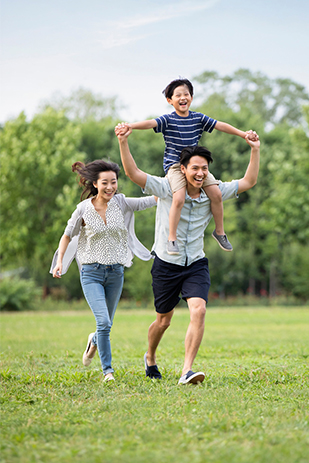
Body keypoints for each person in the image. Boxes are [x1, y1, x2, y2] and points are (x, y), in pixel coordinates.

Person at [115, 123, 260, 385]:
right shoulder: (167, 189)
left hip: (195, 262)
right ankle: (150, 356)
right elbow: (132, 173)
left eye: (204, 168)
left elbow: (249, 181)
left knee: (199, 310)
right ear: (183, 169)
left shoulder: (213, 193)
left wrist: (254, 150)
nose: (200, 173)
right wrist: (124, 142)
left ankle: (187, 371)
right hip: (166, 263)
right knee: (163, 321)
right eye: (195, 168)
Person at [122, 78, 258, 255]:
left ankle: (219, 232)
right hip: (176, 167)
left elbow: (220, 125)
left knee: (216, 193)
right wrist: (129, 126)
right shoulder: (168, 120)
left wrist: (243, 135)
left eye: (186, 94)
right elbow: (150, 123)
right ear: (170, 100)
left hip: (196, 166)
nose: (182, 97)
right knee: (178, 198)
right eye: (177, 95)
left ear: (191, 97)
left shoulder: (198, 118)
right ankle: (172, 238)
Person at [50, 159, 157, 382]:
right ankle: (108, 371)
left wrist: (169, 188)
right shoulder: (83, 209)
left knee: (105, 323)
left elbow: (150, 201)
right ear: (95, 184)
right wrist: (60, 261)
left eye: (114, 182)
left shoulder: (122, 203)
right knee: (104, 323)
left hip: (116, 273)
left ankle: (93, 341)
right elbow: (67, 235)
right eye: (105, 183)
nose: (110, 187)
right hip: (91, 273)